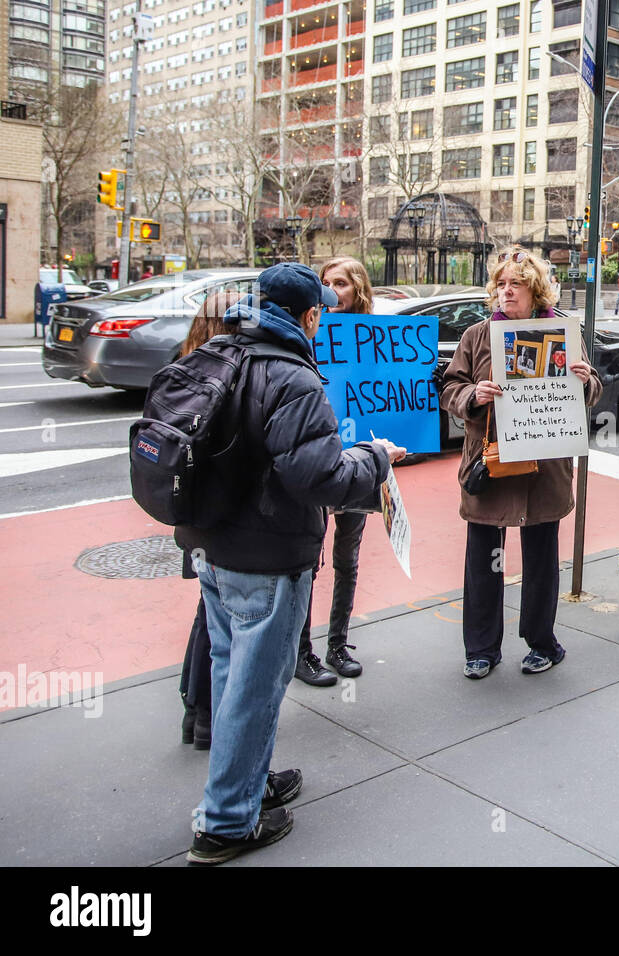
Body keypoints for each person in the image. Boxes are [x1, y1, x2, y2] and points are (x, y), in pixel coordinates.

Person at [179, 263, 404, 864]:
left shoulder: (220, 353)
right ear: (307, 317)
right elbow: (320, 478)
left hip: (214, 550)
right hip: (267, 558)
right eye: (320, 313)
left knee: (233, 678)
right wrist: (374, 458)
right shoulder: (291, 377)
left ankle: (245, 784)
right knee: (255, 688)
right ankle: (227, 822)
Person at [441, 246, 602, 679]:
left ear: (535, 291)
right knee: (483, 559)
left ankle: (541, 642)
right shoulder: (477, 335)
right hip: (490, 465)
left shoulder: (564, 332)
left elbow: (592, 391)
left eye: (516, 284)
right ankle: (481, 648)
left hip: (544, 467)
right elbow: (450, 388)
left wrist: (585, 383)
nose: (506, 292)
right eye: (501, 284)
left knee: (541, 561)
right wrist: (471, 396)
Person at [293, 257, 376, 687]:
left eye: (340, 283)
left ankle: (338, 643)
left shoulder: (376, 337)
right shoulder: (305, 335)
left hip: (358, 464)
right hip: (317, 463)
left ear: (357, 290)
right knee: (309, 559)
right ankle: (301, 650)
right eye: (325, 283)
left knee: (348, 558)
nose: (331, 290)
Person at [177, 290, 244, 752]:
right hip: (228, 520)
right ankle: (207, 719)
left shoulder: (187, 368)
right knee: (222, 627)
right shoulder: (233, 373)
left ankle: (194, 712)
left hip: (194, 517)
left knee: (208, 614)